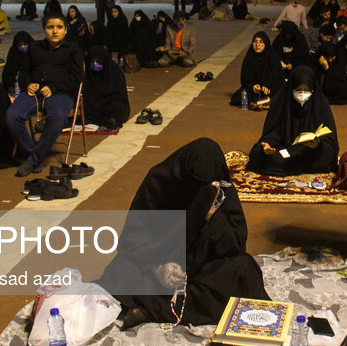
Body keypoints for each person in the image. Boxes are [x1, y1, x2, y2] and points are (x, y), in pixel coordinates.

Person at [98, 137, 268, 328]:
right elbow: (133, 243)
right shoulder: (160, 184)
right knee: (121, 270)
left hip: (201, 266)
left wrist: (213, 218)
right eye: (201, 189)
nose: (208, 191)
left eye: (212, 187)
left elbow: (236, 244)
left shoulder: (221, 189)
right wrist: (158, 269)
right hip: (156, 263)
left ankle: (152, 309)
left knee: (243, 270)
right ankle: (169, 307)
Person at [6, 13, 84, 177]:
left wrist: (54, 88)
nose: (54, 31)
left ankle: (33, 160)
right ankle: (33, 153)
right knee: (12, 115)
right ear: (44, 30)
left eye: (59, 27)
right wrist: (28, 84)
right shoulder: (34, 47)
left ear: (65, 30)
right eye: (50, 27)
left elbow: (77, 79)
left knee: (57, 117)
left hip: (60, 93)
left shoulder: (73, 49)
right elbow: (24, 72)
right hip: (34, 93)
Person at [247, 65, 339, 176]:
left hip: (309, 152)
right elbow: (272, 134)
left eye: (306, 90)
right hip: (284, 150)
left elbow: (330, 141)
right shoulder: (281, 102)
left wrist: (317, 145)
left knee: (326, 154)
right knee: (257, 153)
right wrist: (267, 147)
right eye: (298, 90)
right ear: (291, 88)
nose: (302, 94)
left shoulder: (321, 103)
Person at [83, 44, 130, 130]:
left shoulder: (114, 72)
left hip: (110, 104)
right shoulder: (86, 73)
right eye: (92, 61)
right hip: (92, 106)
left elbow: (119, 96)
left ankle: (111, 119)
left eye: (98, 61)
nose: (95, 64)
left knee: (118, 109)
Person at [231, 32, 282, 107]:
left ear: (265, 43)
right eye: (255, 42)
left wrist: (267, 86)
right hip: (255, 91)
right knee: (240, 95)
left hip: (270, 88)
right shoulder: (249, 57)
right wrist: (253, 86)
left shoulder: (272, 56)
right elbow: (245, 79)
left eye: (261, 42)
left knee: (281, 91)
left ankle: (264, 102)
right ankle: (262, 103)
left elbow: (277, 77)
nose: (257, 45)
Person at [314, 40, 347, 105]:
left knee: (344, 88)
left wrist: (327, 69)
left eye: (332, 57)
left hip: (335, 89)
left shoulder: (339, 60)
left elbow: (340, 78)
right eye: (327, 58)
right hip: (324, 90)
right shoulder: (317, 61)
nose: (330, 60)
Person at [1, 31, 34, 96]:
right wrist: (10, 85)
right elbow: (8, 72)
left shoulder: (34, 53)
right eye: (20, 45)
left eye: (25, 44)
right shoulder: (14, 53)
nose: (22, 47)